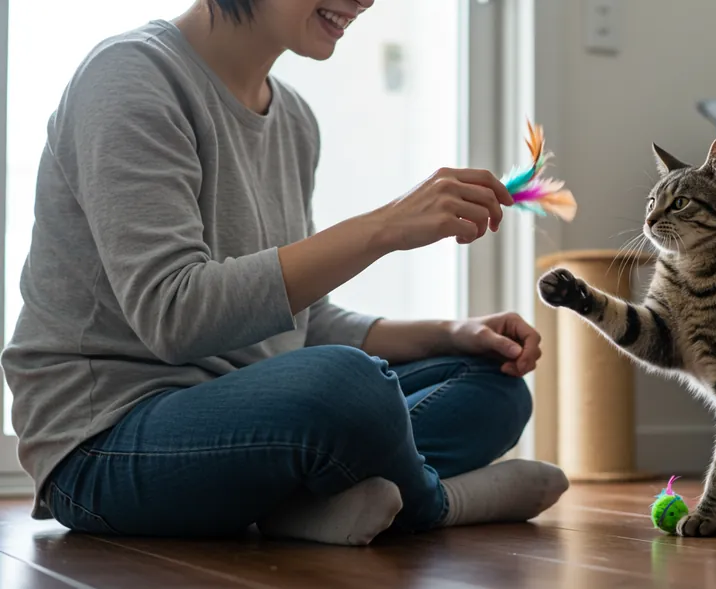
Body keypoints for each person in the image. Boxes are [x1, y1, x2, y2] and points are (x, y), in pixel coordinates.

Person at [0, 0, 569, 546]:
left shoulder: (294, 119)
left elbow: (299, 322)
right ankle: (436, 504)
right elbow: (173, 315)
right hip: (103, 445)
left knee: (493, 383)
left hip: (247, 418)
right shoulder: (128, 76)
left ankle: (303, 508)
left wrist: (451, 333)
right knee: (347, 386)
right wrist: (383, 228)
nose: (365, 0)